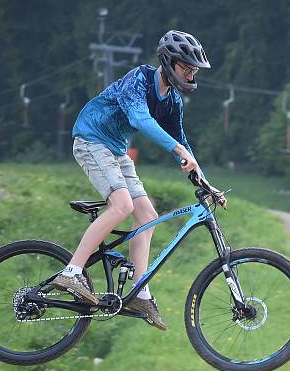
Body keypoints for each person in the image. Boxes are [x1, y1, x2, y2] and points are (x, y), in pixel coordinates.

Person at [53, 29, 224, 331]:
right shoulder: (139, 80)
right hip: (92, 139)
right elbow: (140, 120)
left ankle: (139, 293)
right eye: (186, 68)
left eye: (193, 70)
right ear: (170, 63)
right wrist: (178, 149)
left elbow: (179, 139)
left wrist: (205, 182)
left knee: (147, 214)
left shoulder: (172, 101)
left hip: (116, 150)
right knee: (122, 205)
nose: (191, 74)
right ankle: (72, 270)